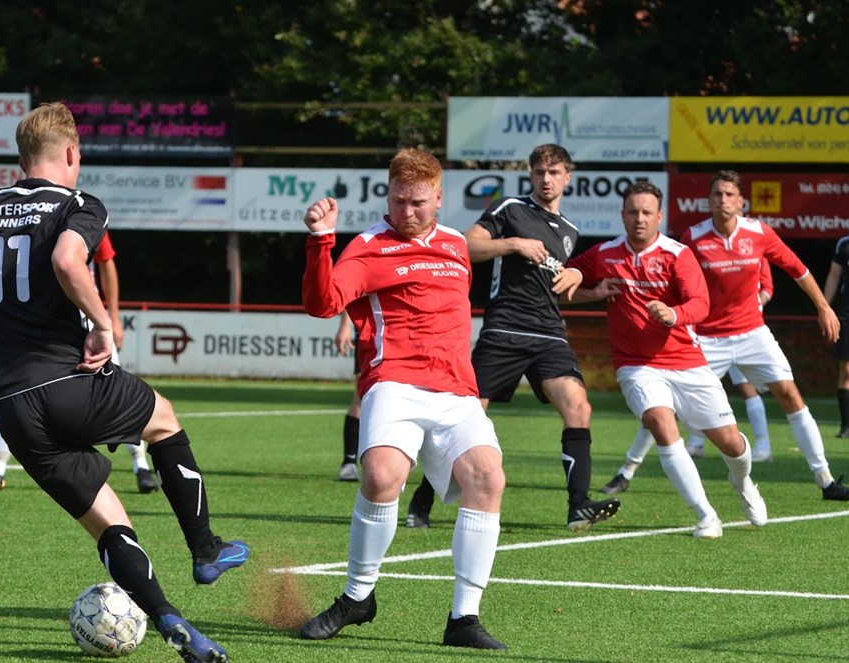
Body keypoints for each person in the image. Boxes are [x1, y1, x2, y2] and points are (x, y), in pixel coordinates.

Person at [0, 102, 247, 662]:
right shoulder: (76, 203)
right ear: (71, 152)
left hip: (10, 405)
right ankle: (205, 549)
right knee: (163, 421)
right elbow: (70, 261)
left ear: (22, 159)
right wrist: (103, 326)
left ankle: (169, 619)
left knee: (110, 525)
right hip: (68, 380)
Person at [298, 148, 507, 649]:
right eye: (398, 201)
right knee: (380, 475)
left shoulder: (456, 245)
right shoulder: (368, 247)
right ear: (387, 195)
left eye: (417, 202)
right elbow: (322, 304)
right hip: (394, 381)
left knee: (488, 478)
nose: (406, 212)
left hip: (456, 389)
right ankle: (357, 597)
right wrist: (321, 241)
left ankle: (464, 618)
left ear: (438, 197)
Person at [405, 143, 620, 533]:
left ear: (567, 178)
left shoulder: (570, 231)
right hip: (505, 329)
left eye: (554, 173)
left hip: (550, 334)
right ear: (531, 175)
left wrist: (590, 289)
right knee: (464, 416)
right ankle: (422, 500)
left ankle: (578, 506)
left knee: (579, 408)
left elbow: (557, 291)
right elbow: (467, 245)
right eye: (539, 172)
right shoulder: (511, 209)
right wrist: (514, 243)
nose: (546, 179)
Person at [563, 181, 766, 538]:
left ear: (659, 217)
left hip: (688, 362)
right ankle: (706, 516)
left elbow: (700, 303)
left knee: (732, 444)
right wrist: (591, 290)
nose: (639, 218)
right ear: (622, 215)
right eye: (632, 212)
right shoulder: (604, 254)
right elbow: (563, 285)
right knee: (659, 421)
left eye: (646, 212)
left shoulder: (677, 254)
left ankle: (743, 481)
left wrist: (674, 314)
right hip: (637, 365)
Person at [652, 170, 844, 500]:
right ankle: (626, 472)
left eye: (729, 194)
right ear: (708, 200)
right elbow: (675, 285)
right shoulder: (693, 237)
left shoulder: (759, 233)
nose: (723, 200)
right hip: (707, 338)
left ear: (741, 201)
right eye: (717, 194)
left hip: (753, 333)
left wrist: (823, 307)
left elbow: (798, 269)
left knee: (790, 394)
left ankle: (826, 481)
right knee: (663, 403)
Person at [0, 232, 159, 495]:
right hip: (40, 322)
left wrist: (113, 317)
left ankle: (141, 466)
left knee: (117, 390)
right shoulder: (30, 222)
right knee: (15, 388)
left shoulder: (79, 218)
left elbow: (106, 262)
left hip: (85, 318)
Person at [601, 259, 774, 495]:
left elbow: (767, 287)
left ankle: (763, 447)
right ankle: (629, 470)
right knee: (658, 411)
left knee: (749, 390)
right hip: (701, 339)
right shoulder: (690, 249)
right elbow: (687, 295)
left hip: (742, 334)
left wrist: (746, 309)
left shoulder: (751, 251)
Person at [822, 234, 849, 438]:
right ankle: (846, 426)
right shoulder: (844, 244)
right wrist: (824, 307)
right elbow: (833, 276)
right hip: (847, 315)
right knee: (846, 371)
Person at [335, 311, 362, 482]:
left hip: (407, 335)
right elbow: (353, 296)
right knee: (361, 395)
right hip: (371, 333)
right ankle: (349, 463)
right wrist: (345, 326)